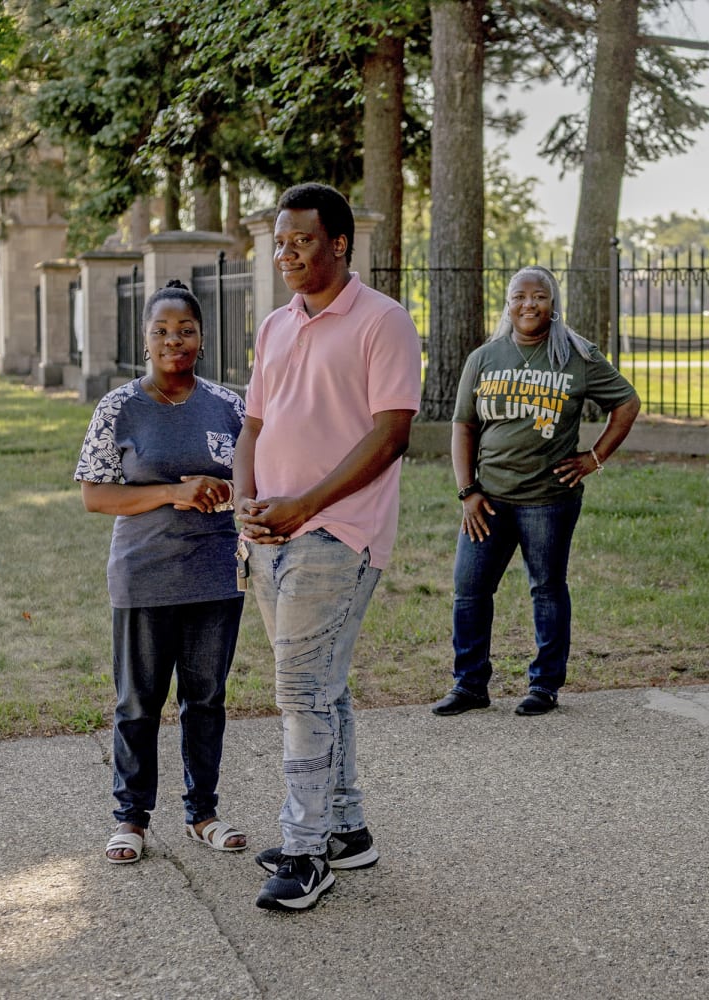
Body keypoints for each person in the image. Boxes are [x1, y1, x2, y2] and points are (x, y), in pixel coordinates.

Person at [234, 183, 422, 912]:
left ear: (339, 243)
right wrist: (248, 504)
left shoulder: (383, 321)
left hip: (337, 534)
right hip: (270, 534)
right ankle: (345, 830)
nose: (286, 253)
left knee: (299, 692)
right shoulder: (276, 325)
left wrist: (304, 505)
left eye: (301, 241)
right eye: (280, 242)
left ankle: (305, 853)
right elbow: (253, 423)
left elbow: (392, 431)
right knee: (322, 685)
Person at [75, 280, 249, 865]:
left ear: (202, 340)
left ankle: (203, 813)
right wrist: (176, 491)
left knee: (206, 699)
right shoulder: (120, 407)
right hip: (144, 575)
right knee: (138, 703)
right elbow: (96, 497)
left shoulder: (230, 406)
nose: (174, 340)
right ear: (144, 340)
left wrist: (227, 491)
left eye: (186, 330)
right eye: (162, 331)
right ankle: (131, 818)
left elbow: (257, 479)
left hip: (216, 575)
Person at [431, 266, 641, 719]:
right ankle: (469, 685)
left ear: (553, 304)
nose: (529, 304)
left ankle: (544, 685)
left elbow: (627, 403)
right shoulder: (484, 358)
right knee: (469, 590)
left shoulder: (577, 356)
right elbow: (464, 426)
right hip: (487, 498)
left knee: (546, 588)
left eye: (540, 296)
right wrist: (467, 490)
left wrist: (594, 458)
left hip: (548, 500)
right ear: (508, 304)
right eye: (520, 296)